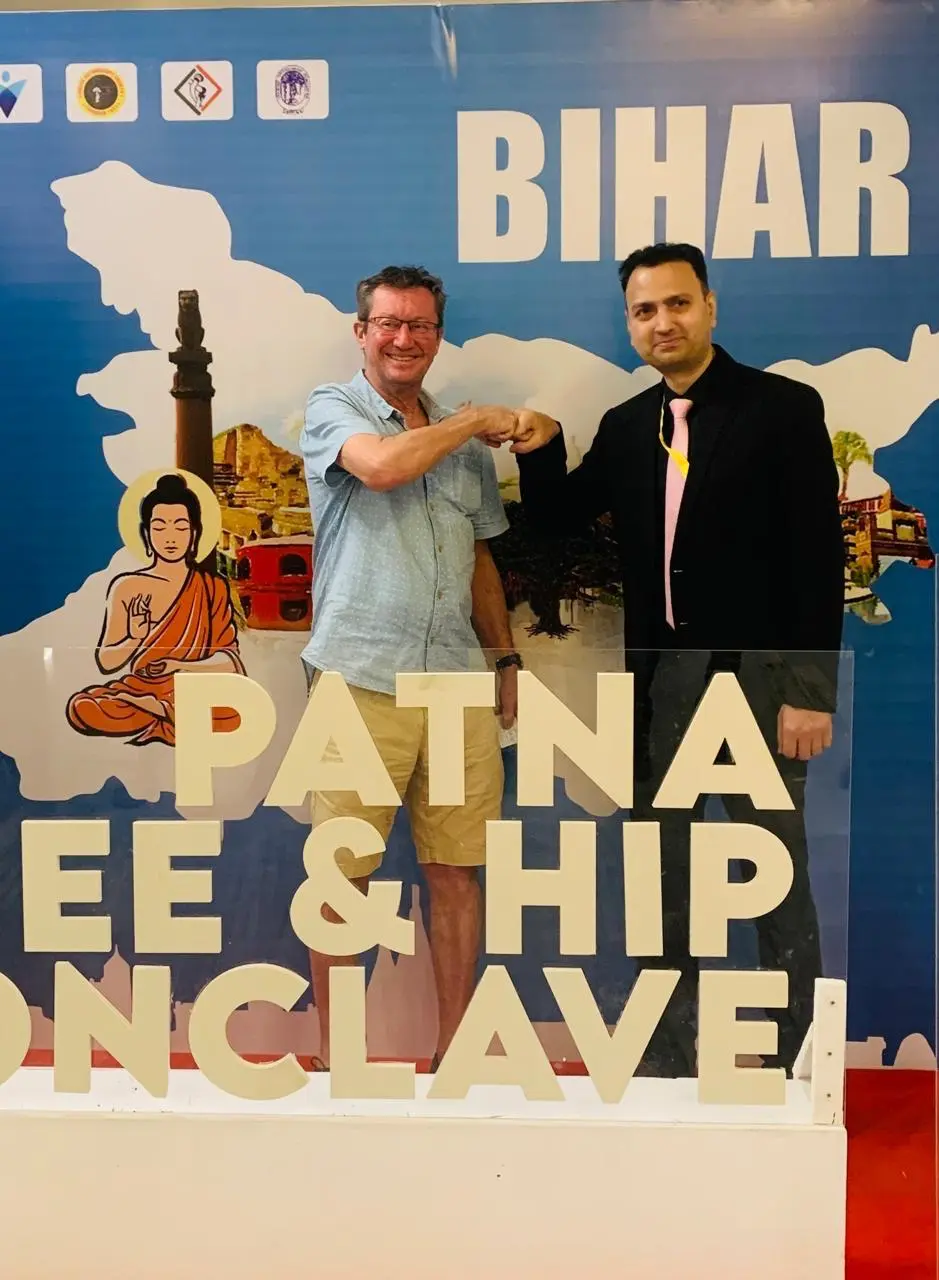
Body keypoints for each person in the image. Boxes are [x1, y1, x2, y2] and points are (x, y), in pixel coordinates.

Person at [498, 242, 846, 1076]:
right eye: (644, 310)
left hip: (759, 685)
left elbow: (815, 556)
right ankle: (666, 1059)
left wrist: (809, 691)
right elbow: (559, 518)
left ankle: (795, 1060)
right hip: (658, 690)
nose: (662, 322)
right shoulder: (626, 426)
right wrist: (541, 449)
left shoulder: (782, 408)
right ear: (629, 324)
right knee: (661, 876)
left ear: (709, 307)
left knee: (772, 871)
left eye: (677, 303)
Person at [299, 264, 523, 1070]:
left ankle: (455, 1059)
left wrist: (503, 656)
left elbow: (479, 560)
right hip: (359, 674)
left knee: (457, 871)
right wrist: (473, 422)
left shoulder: (460, 448)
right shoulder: (332, 408)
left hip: (457, 682)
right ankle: (338, 1061)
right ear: (360, 331)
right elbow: (382, 466)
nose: (404, 338)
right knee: (341, 876)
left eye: (420, 325)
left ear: (437, 335)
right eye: (389, 323)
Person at [67, 471, 243, 746]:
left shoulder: (211, 587)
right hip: (139, 689)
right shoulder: (127, 586)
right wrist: (135, 637)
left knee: (235, 713)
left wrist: (179, 665)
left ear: (194, 533)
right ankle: (164, 712)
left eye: (180, 527)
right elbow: (106, 661)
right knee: (82, 706)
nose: (170, 537)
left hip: (191, 687)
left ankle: (162, 710)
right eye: (160, 527)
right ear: (146, 534)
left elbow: (230, 662)